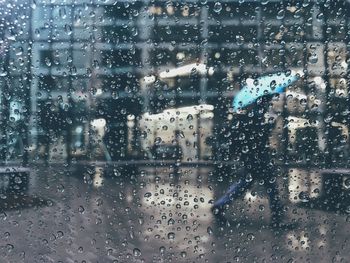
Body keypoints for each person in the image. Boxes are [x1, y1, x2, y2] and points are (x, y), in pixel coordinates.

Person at [212, 94, 289, 228]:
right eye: (267, 103)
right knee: (271, 188)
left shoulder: (247, 117)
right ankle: (277, 218)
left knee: (244, 185)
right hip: (259, 159)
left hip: (250, 158)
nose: (268, 105)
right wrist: (272, 123)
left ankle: (220, 205)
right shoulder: (256, 117)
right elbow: (260, 136)